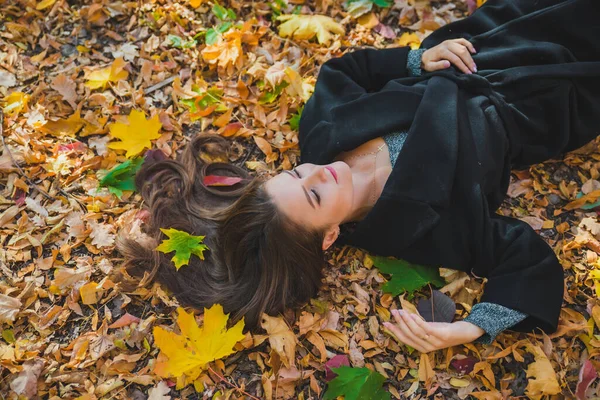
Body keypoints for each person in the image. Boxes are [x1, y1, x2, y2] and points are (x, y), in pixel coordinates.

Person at [119, 0, 600, 353]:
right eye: (312, 194)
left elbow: (344, 70)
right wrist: (471, 326)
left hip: (487, 37)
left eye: (294, 171)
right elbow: (523, 257)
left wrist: (416, 59)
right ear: (329, 237)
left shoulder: (322, 132)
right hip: (545, 101)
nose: (318, 171)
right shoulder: (419, 228)